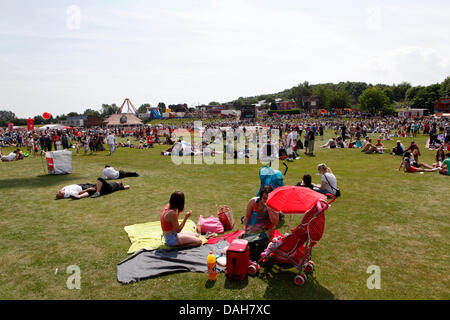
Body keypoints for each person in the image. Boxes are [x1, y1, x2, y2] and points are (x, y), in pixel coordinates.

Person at [56, 178, 130, 199]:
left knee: (95, 186)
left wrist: (123, 187)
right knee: (93, 188)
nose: (58, 191)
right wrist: (122, 186)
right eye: (59, 193)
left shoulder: (112, 185)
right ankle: (80, 196)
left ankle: (81, 196)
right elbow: (125, 186)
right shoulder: (112, 186)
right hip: (104, 190)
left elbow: (120, 187)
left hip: (100, 190)